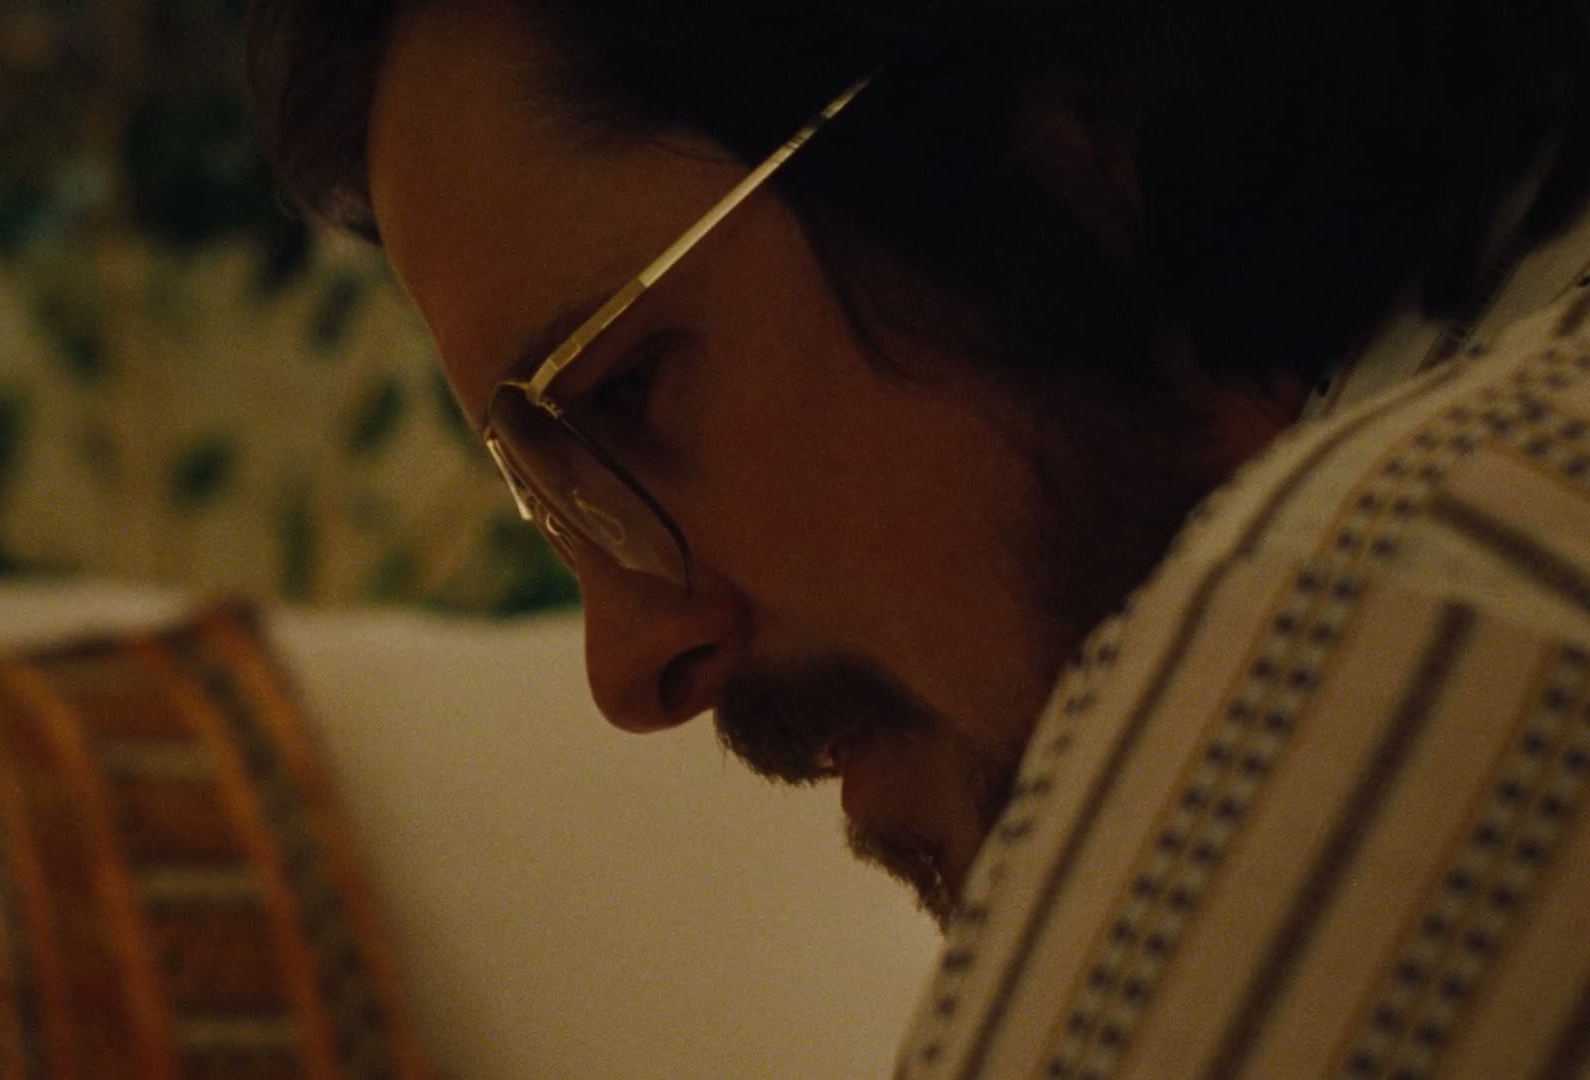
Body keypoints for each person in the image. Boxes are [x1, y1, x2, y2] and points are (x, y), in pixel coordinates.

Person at [248, 0, 1590, 1074]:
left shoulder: (1404, 584)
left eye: (626, 393)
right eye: (550, 498)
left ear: (1065, 112)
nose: (630, 663)